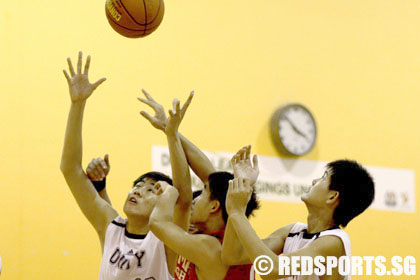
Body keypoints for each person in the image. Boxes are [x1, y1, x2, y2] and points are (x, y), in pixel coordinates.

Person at [60, 51, 191, 280]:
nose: (139, 190)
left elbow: (183, 200)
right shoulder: (111, 227)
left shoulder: (166, 240)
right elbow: (70, 169)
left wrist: (171, 135)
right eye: (139, 185)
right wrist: (77, 104)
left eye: (151, 190)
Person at [138, 92, 260, 280]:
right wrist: (170, 131)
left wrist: (169, 192)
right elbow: (211, 179)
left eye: (202, 193)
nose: (195, 199)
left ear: (214, 206)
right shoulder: (230, 234)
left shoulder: (210, 247)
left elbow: (158, 222)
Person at [222, 148, 375, 280]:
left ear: (332, 197)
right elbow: (232, 255)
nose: (314, 181)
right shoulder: (292, 231)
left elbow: (271, 269)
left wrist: (238, 213)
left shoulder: (334, 242)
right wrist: (241, 185)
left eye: (323, 178)